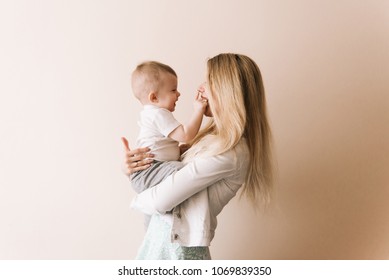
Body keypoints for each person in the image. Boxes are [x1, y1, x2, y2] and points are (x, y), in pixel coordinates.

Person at [122, 53, 274, 259]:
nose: (200, 87)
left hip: (178, 252)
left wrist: (137, 192)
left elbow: (159, 202)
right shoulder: (211, 139)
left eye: (209, 81)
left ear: (226, 91)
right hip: (160, 246)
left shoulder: (231, 152)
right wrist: (135, 168)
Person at [128, 61, 208, 227]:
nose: (178, 94)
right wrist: (198, 110)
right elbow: (186, 135)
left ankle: (152, 235)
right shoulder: (159, 114)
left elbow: (161, 146)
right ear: (154, 97)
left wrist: (176, 151)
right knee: (184, 172)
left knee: (154, 216)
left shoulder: (153, 114)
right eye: (173, 90)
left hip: (151, 169)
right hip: (150, 170)